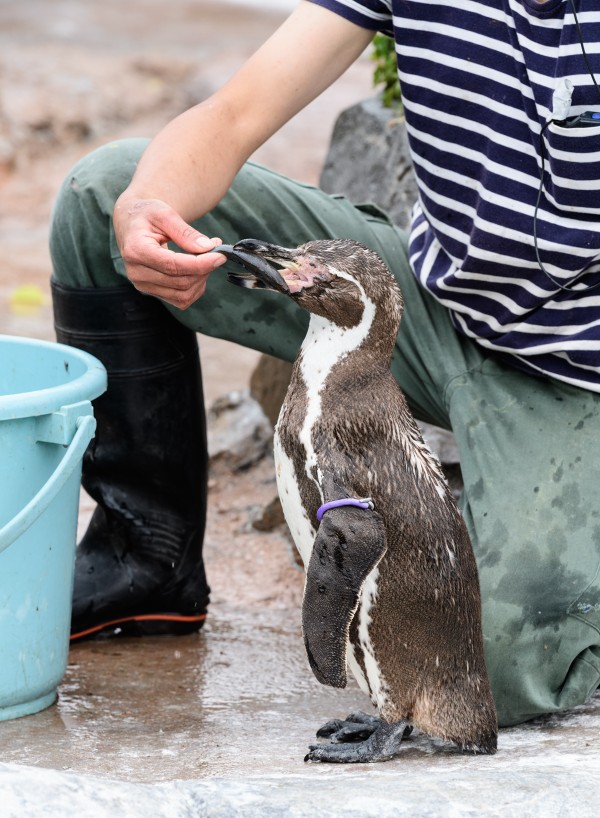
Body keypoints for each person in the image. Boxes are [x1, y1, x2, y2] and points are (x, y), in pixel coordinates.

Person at [49, 0, 600, 728]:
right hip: (437, 311)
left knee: (462, 675)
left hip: (577, 374)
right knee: (105, 198)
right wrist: (151, 209)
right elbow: (237, 112)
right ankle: (144, 558)